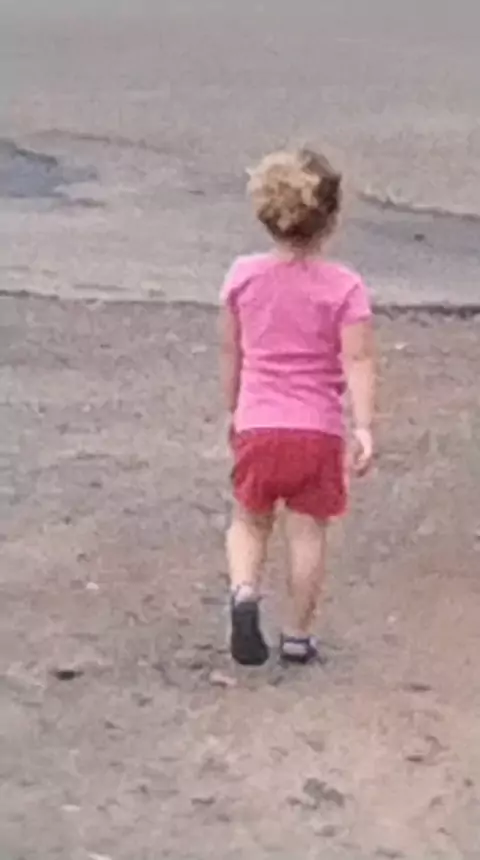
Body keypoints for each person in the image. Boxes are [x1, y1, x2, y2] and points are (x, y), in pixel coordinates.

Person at [219, 148, 375, 667]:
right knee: (308, 532)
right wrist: (364, 426)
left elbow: (232, 351)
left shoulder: (243, 276)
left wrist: (233, 410)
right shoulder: (344, 287)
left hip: (258, 423)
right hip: (317, 431)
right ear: (331, 217)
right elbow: (358, 359)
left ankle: (244, 592)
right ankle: (297, 635)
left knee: (249, 520)